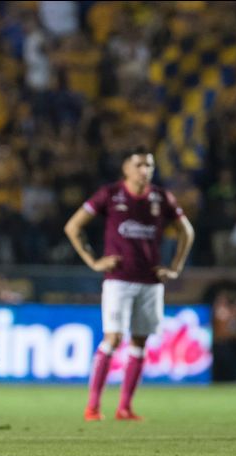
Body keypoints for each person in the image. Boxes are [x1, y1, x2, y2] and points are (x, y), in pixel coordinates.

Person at [64, 148, 194, 421]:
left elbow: (187, 231)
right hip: (119, 280)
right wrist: (93, 261)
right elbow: (73, 226)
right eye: (139, 165)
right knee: (113, 338)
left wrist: (176, 268)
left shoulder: (161, 197)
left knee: (139, 342)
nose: (144, 170)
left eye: (149, 165)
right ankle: (93, 407)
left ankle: (124, 408)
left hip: (150, 281)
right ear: (126, 168)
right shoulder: (110, 194)